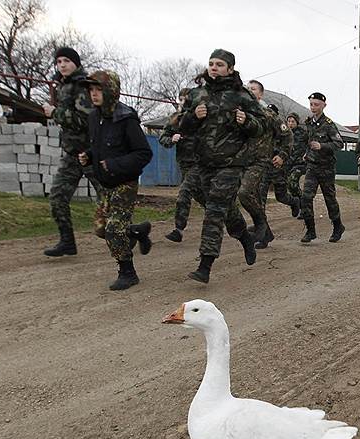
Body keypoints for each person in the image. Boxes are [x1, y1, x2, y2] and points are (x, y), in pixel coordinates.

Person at [178, 49, 265, 283]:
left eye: (219, 64)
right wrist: (193, 117)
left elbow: (262, 126)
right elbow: (181, 127)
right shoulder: (197, 95)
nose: (214, 67)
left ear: (230, 69)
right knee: (223, 208)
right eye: (211, 63)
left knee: (215, 210)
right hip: (204, 162)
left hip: (231, 163)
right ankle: (245, 237)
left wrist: (246, 121)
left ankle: (205, 265)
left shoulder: (241, 96)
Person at [77, 70, 153, 290]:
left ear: (111, 91)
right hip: (106, 184)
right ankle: (136, 232)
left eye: (98, 89)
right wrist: (89, 156)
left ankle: (128, 273)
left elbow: (143, 153)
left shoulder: (126, 119)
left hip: (124, 183)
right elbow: (99, 146)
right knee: (101, 229)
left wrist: (114, 164)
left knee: (112, 230)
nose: (94, 94)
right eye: (91, 90)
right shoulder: (94, 117)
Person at [42, 47, 96, 257]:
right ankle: (67, 241)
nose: (62, 65)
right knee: (57, 198)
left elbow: (85, 120)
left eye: (66, 61)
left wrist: (56, 113)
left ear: (76, 63)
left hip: (91, 153)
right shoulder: (63, 87)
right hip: (72, 154)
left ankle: (132, 233)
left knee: (109, 201)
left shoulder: (82, 86)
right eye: (58, 61)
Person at [240, 79, 295, 249]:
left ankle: (261, 230)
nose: (250, 90)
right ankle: (266, 232)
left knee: (247, 194)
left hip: (262, 162)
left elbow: (288, 135)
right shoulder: (240, 114)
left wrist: (282, 155)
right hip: (243, 162)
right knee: (253, 198)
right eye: (247, 88)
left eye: (254, 89)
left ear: (261, 94)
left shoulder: (268, 114)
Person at [300, 92, 345, 243]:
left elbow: (339, 143)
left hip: (326, 167)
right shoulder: (308, 122)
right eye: (311, 104)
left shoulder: (329, 124)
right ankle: (310, 230)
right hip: (312, 167)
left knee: (329, 199)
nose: (313, 107)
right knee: (306, 197)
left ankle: (338, 226)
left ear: (324, 105)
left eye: (316, 104)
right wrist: (307, 153)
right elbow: (308, 141)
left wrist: (322, 146)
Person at [257, 102, 300, 248]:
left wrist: (282, 156)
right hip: (262, 169)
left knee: (281, 196)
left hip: (277, 168)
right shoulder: (259, 128)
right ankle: (265, 235)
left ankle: (294, 202)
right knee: (259, 203)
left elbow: (289, 142)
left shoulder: (281, 129)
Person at [161, 88, 201, 243]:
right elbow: (163, 137)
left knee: (184, 194)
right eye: (181, 99)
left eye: (187, 99)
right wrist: (172, 139)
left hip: (200, 164)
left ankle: (178, 230)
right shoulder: (175, 119)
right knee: (201, 197)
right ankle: (226, 217)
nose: (184, 102)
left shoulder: (201, 117)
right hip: (184, 164)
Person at [284, 112, 307, 209]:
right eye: (289, 121)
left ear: (297, 122)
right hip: (289, 164)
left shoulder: (303, 134)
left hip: (300, 164)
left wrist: (307, 154)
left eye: (293, 121)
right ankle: (298, 204)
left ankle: (303, 204)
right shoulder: (285, 134)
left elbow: (311, 143)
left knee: (292, 181)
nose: (290, 123)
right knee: (290, 186)